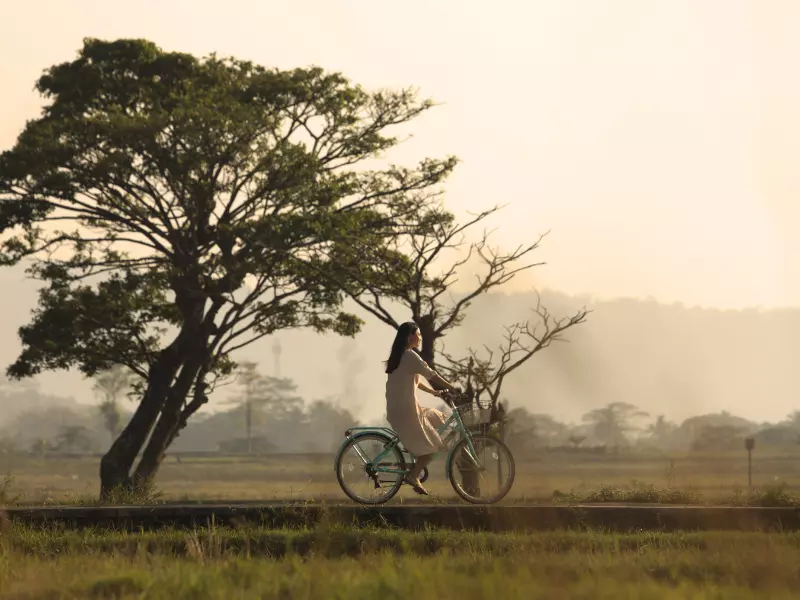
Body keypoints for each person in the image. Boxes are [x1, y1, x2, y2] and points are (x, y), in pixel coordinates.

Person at [384, 321, 458, 495]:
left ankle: (417, 454)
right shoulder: (410, 356)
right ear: (410, 336)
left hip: (402, 409)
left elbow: (413, 382)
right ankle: (414, 474)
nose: (420, 337)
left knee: (438, 418)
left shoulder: (401, 356)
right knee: (432, 447)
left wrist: (434, 392)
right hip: (406, 411)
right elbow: (431, 373)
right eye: (418, 334)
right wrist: (451, 387)